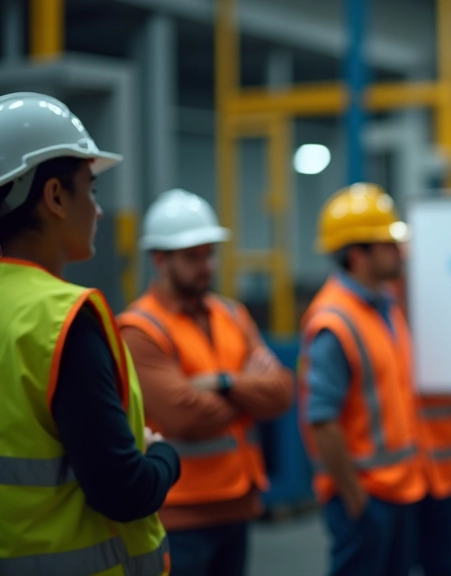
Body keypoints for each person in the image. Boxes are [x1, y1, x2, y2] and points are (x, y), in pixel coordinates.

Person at [0, 91, 179, 575]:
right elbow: (123, 490)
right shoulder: (61, 319)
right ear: (55, 196)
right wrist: (163, 454)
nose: (98, 210)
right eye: (91, 190)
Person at [117, 188, 294, 576]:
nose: (207, 265)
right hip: (180, 514)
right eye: (192, 257)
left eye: (210, 253)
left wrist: (223, 382)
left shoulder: (232, 313)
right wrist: (251, 391)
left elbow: (282, 392)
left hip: (239, 502)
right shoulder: (139, 329)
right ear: (160, 259)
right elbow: (183, 415)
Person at [298, 182, 427, 576]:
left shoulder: (385, 305)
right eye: (386, 243)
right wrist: (356, 501)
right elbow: (322, 421)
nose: (398, 250)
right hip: (365, 498)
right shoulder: (334, 323)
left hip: (400, 490)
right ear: (357, 255)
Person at [390, 271, 451, 576]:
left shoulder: (446, 317)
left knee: (441, 564)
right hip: (397, 475)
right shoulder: (381, 317)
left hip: (443, 470)